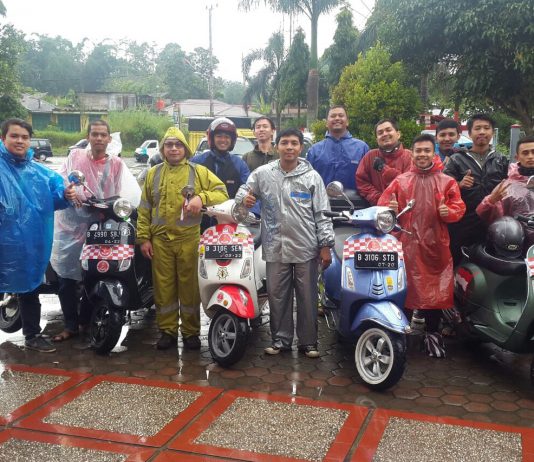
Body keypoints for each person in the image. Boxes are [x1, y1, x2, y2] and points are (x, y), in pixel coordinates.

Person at [236, 128, 335, 358]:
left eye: (294, 143)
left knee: (307, 297)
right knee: (277, 296)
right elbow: (243, 190)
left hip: (306, 248)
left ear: (301, 148)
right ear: (276, 146)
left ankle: (308, 343)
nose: (289, 147)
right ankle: (280, 340)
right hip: (275, 247)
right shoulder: (263, 174)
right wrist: (245, 198)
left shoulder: (312, 177)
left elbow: (322, 213)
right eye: (284, 143)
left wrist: (325, 245)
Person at [137, 127, 228, 350]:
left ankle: (191, 333)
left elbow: (222, 192)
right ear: (163, 149)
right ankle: (167, 331)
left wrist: (201, 198)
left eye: (178, 145)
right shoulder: (153, 173)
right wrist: (143, 238)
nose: (174, 149)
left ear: (185, 149)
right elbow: (144, 208)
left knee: (190, 289)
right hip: (160, 241)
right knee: (163, 288)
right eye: (169, 145)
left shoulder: (198, 172)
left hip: (189, 239)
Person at [50, 120, 140, 342]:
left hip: (102, 227)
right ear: (88, 137)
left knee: (96, 272)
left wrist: (118, 205)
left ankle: (85, 320)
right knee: (67, 279)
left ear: (109, 138)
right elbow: (60, 181)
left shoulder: (117, 164)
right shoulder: (75, 157)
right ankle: (70, 325)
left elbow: (128, 193)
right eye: (95, 134)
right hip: (71, 227)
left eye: (103, 135)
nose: (99, 138)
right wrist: (68, 192)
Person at [378, 134, 466, 358]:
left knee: (435, 294)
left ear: (433, 153)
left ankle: (432, 335)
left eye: (427, 150)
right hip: (406, 246)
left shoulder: (447, 181)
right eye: (418, 151)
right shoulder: (401, 181)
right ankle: (401, 335)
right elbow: (383, 207)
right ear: (412, 153)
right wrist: (391, 209)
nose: (422, 155)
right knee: (405, 290)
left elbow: (458, 207)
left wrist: (448, 212)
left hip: (436, 246)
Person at [0, 118, 76, 352]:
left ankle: (32, 335)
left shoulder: (37, 172)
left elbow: (51, 200)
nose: (19, 141)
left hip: (26, 242)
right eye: (14, 136)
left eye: (24, 137)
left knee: (29, 288)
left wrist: (66, 195)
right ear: (3, 138)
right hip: (4, 240)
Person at [443, 113, 509, 265]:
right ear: (470, 133)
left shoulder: (501, 160)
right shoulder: (457, 159)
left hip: (493, 223)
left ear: (492, 132)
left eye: (486, 128)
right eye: (478, 128)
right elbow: (442, 188)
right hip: (462, 223)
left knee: (491, 263)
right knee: (459, 263)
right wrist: (459, 184)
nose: (482, 132)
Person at [476, 135, 534, 248]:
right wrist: (491, 201)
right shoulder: (507, 186)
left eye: (533, 152)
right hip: (516, 246)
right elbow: (486, 216)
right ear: (517, 157)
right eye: (525, 153)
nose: (530, 157)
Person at [307, 105, 369, 189]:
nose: (337, 118)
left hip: (356, 197)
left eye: (341, 115)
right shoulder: (314, 150)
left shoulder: (362, 148)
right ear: (326, 123)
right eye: (333, 116)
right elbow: (308, 181)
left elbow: (369, 179)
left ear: (347, 122)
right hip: (322, 197)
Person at [356, 118, 413, 205]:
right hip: (377, 208)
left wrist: (384, 169)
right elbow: (361, 181)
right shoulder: (370, 156)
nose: (385, 134)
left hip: (404, 209)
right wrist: (380, 198)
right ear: (377, 139)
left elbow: (408, 185)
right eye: (380, 133)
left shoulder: (410, 157)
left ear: (398, 134)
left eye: (388, 130)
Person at [190, 117, 250, 199]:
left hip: (231, 207)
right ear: (212, 138)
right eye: (219, 136)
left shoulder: (240, 165)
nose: (223, 140)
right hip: (202, 206)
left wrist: (246, 199)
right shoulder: (196, 162)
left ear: (232, 140)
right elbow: (189, 189)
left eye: (227, 137)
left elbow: (247, 191)